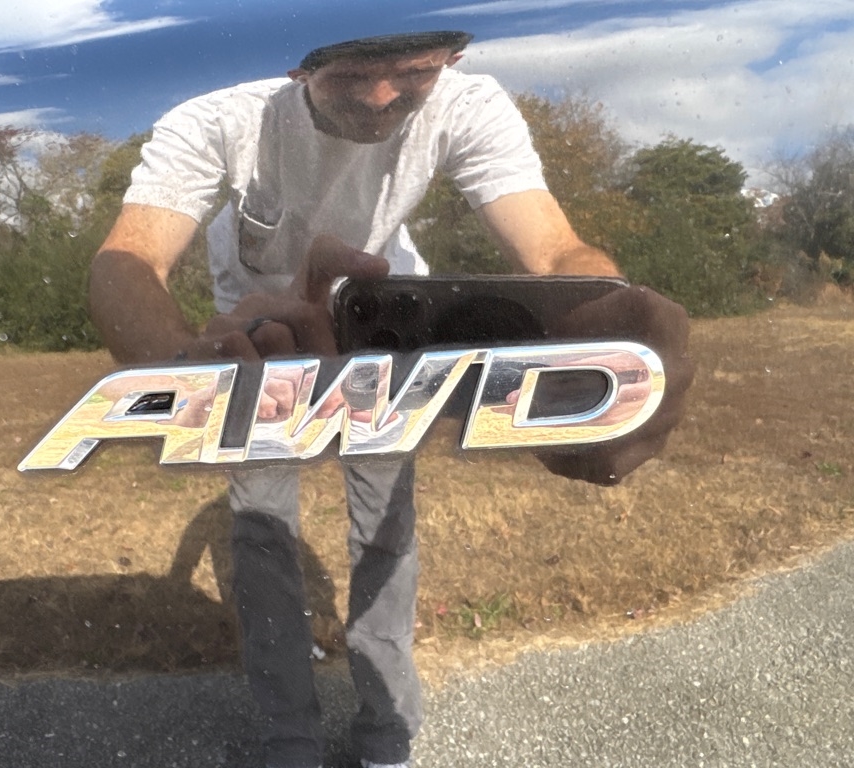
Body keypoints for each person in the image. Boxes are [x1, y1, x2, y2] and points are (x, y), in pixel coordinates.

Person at [89, 30, 693, 768]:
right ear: (297, 64)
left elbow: (554, 250)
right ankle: (290, 741)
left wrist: (610, 326)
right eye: (350, 77)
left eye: (413, 72)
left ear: (453, 60)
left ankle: (387, 733)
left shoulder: (469, 106)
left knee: (385, 530)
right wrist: (187, 369)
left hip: (385, 333)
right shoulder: (218, 120)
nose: (381, 98)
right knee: (262, 537)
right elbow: (128, 259)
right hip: (263, 344)